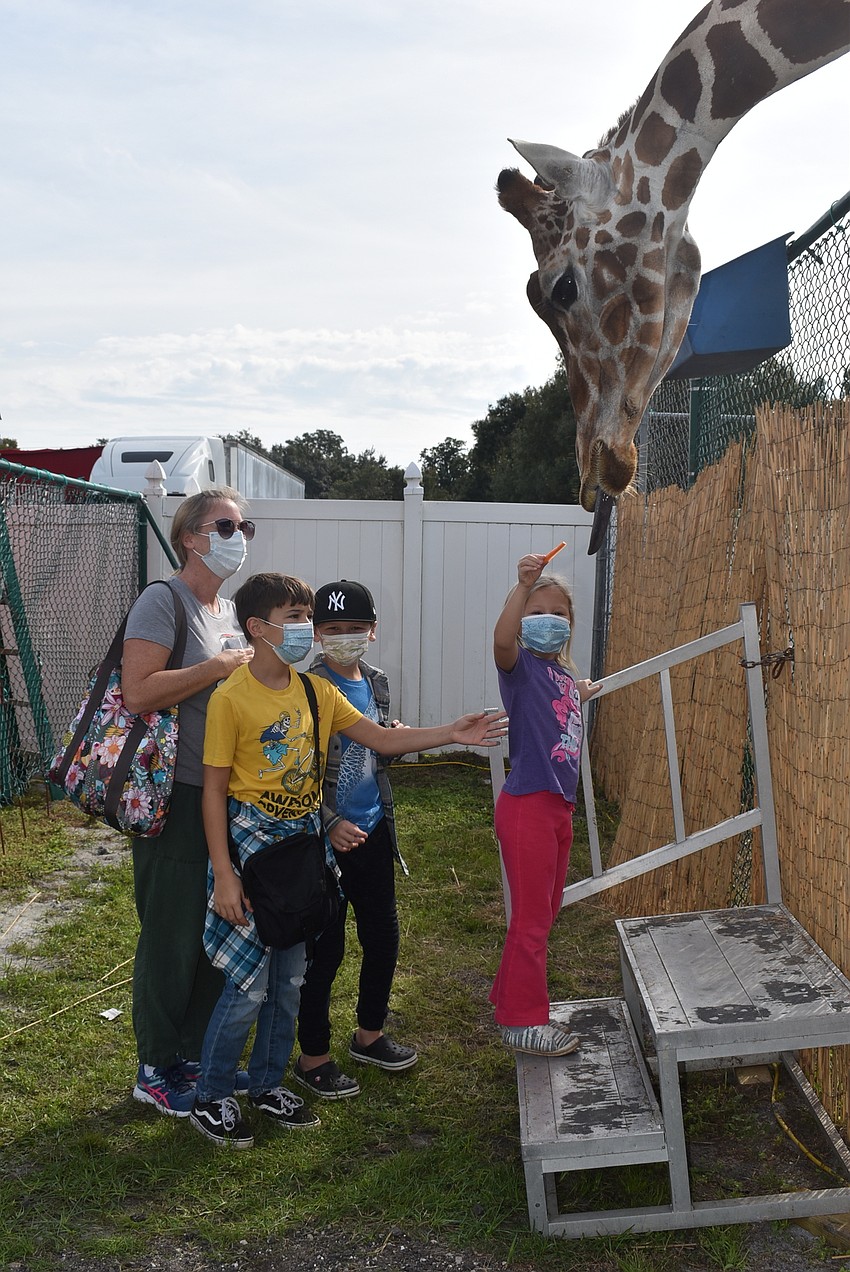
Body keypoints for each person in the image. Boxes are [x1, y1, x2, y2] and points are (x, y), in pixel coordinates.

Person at [190, 571, 507, 1147]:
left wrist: (450, 732)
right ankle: (210, 1095)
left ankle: (265, 1083)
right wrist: (225, 877)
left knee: (289, 980)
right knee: (248, 985)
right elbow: (213, 790)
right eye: (295, 618)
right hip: (253, 853)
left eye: (306, 617)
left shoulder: (316, 692)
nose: (305, 630)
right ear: (257, 628)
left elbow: (380, 740)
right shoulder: (230, 698)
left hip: (301, 850)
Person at [121, 488, 255, 1115]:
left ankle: (193, 1053)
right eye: (226, 524)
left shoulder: (226, 608)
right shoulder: (163, 599)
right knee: (171, 930)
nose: (239, 533)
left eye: (244, 523)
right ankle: (156, 1065)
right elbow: (140, 691)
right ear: (192, 536)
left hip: (221, 791)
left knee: (211, 925)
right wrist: (220, 667)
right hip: (172, 793)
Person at [294, 580, 414, 1101]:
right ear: (317, 634)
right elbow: (294, 772)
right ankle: (312, 1056)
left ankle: (370, 1034)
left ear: (373, 630)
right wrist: (326, 821)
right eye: (332, 630)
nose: (344, 638)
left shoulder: (378, 682)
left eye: (355, 629)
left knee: (382, 934)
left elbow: (374, 751)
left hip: (373, 828)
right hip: (326, 839)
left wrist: (396, 742)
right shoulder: (304, 689)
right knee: (326, 948)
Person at [490, 554, 601, 1057]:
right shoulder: (521, 669)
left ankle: (507, 995)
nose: (550, 621)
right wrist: (521, 587)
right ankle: (522, 1020)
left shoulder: (558, 675)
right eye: (539, 611)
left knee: (545, 911)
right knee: (532, 920)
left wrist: (578, 689)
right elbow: (502, 641)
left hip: (558, 808)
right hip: (528, 806)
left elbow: (563, 700)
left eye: (561, 614)